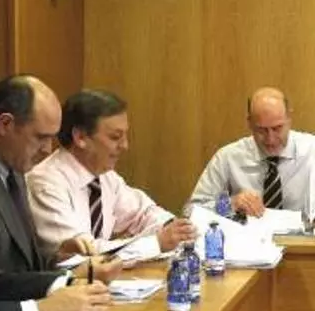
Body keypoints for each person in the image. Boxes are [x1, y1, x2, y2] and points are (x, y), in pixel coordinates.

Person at [0, 75, 117, 311]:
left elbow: (17, 269)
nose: (48, 150)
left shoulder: (13, 173)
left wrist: (61, 265)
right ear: (5, 124)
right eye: (41, 137)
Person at [27, 89, 196, 257]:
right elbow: (82, 254)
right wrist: (156, 243)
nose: (125, 146)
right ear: (81, 138)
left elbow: (142, 213)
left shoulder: (105, 177)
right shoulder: (45, 184)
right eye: (115, 137)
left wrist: (172, 227)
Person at [188, 87, 315, 219]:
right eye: (261, 130)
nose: (270, 139)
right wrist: (230, 204)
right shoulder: (227, 157)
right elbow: (191, 211)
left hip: (304, 242)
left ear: (289, 119)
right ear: (249, 123)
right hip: (247, 242)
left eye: (277, 128)